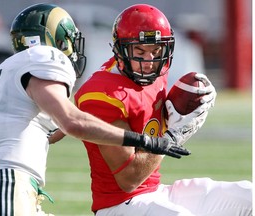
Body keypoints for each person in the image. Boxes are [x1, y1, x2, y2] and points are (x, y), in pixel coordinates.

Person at [0, 3, 192, 216]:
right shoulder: (45, 56)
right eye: (69, 39)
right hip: (8, 182)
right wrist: (144, 141)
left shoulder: (9, 71)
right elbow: (73, 123)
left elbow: (51, 133)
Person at [74, 4, 252, 216]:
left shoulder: (156, 73)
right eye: (140, 51)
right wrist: (175, 135)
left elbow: (156, 113)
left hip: (155, 192)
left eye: (156, 51)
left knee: (248, 195)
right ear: (120, 50)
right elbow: (129, 179)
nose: (149, 61)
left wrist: (196, 98)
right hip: (120, 206)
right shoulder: (103, 94)